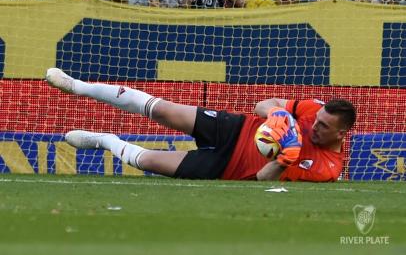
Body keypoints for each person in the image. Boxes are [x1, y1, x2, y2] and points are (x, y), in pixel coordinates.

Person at [45, 67, 356, 182]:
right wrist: (277, 115)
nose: (315, 125)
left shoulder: (328, 168)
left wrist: (286, 156)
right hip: (234, 128)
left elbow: (263, 179)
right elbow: (262, 105)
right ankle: (77, 85)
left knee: (150, 161)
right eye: (317, 120)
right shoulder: (312, 108)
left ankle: (103, 140)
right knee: (163, 110)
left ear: (341, 134)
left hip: (227, 169)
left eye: (323, 127)